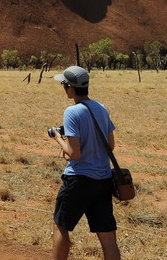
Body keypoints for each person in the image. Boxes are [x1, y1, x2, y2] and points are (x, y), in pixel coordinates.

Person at [49, 65, 121, 260]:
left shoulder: (72, 112)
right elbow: (111, 145)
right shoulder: (102, 109)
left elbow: (74, 153)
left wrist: (57, 137)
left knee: (61, 227)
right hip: (103, 180)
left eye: (64, 84)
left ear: (70, 88)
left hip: (78, 180)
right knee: (108, 239)